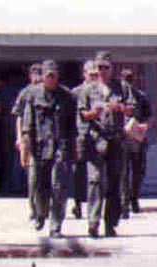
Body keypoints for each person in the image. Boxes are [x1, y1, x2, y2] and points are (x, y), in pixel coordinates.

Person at [21, 60, 77, 238]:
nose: (51, 78)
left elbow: (73, 126)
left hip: (61, 147)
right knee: (38, 185)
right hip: (40, 147)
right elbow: (27, 124)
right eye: (48, 75)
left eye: (53, 75)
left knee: (59, 186)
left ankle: (56, 225)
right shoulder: (33, 95)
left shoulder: (67, 96)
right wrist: (26, 145)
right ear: (43, 77)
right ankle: (41, 213)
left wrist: (73, 149)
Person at [79, 51, 129, 238]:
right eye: (98, 67)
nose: (101, 71)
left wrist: (121, 108)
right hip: (96, 141)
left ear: (111, 68)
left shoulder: (121, 87)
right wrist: (93, 113)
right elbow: (82, 114)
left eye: (105, 67)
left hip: (115, 140)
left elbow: (131, 109)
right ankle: (93, 223)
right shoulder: (88, 89)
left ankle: (111, 224)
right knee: (95, 181)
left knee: (114, 183)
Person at [11, 63, 42, 220]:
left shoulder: (48, 93)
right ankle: (34, 208)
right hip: (28, 137)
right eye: (34, 74)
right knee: (32, 176)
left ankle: (44, 207)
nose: (37, 77)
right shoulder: (25, 93)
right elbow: (19, 116)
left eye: (39, 73)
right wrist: (19, 138)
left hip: (46, 138)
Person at [120, 69, 152, 219]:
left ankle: (134, 197)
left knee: (138, 171)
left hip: (137, 139)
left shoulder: (141, 96)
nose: (128, 82)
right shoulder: (118, 96)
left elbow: (149, 116)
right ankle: (124, 202)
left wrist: (145, 126)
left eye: (130, 79)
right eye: (126, 79)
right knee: (124, 172)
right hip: (122, 139)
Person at [70, 60, 99, 219]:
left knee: (96, 174)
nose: (94, 77)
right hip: (80, 136)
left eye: (96, 74)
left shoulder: (101, 91)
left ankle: (94, 207)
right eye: (91, 74)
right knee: (79, 172)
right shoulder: (75, 93)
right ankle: (77, 203)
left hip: (97, 137)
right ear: (84, 74)